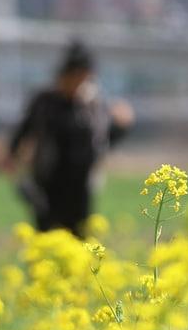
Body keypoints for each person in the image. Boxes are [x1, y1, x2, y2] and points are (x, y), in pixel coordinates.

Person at [7, 42, 134, 238]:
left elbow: (105, 140)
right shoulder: (45, 101)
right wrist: (16, 167)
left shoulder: (92, 107)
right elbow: (22, 134)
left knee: (79, 244)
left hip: (81, 188)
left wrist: (123, 125)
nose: (82, 83)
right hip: (48, 186)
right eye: (78, 77)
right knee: (47, 241)